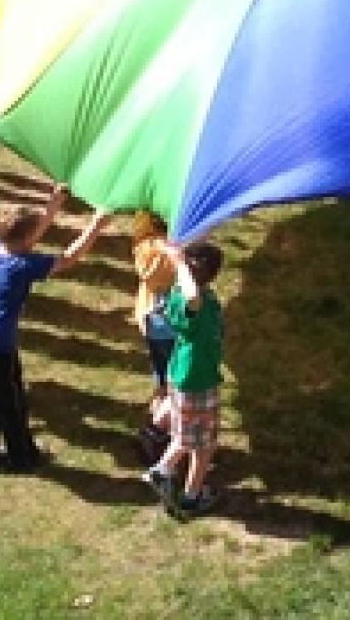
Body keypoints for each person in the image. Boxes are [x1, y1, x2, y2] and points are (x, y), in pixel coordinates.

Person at [0, 186, 110, 473]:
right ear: (26, 238)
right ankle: (22, 458)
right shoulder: (23, 265)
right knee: (10, 404)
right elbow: (69, 258)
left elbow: (28, 236)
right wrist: (96, 224)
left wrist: (53, 205)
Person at [144, 242, 226, 519]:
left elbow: (191, 289)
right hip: (198, 380)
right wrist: (179, 261)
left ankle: (170, 475)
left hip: (181, 374)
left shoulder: (178, 294)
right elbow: (193, 295)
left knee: (186, 434)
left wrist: (179, 261)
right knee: (203, 442)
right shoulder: (192, 300)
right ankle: (180, 486)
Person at [132, 212, 177, 462]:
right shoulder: (165, 249)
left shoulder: (142, 244)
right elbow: (159, 275)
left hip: (152, 322)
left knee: (162, 381)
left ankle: (155, 434)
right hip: (167, 325)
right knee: (173, 384)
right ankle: (158, 435)